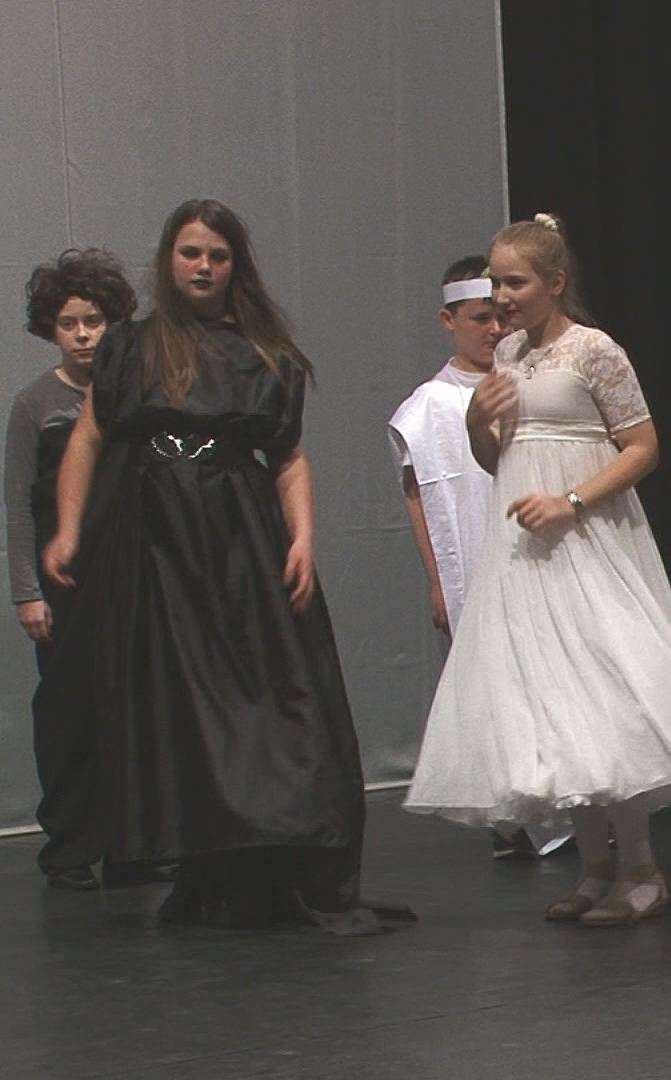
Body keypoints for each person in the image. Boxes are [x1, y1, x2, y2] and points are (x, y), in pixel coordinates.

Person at [44, 199, 383, 932]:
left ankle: (274, 854)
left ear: (236, 266)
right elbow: (89, 438)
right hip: (153, 540)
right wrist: (67, 529)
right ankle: (211, 865)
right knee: (178, 703)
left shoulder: (263, 351)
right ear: (169, 259)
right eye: (191, 252)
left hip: (236, 537)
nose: (203, 266)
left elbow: (288, 457)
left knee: (267, 694)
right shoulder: (133, 345)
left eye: (217, 255)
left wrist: (302, 539)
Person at [404, 214, 671, 925]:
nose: (502, 297)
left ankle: (642, 866)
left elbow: (643, 446)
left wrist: (571, 501)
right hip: (528, 551)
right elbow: (499, 457)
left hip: (589, 538)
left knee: (607, 693)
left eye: (515, 282)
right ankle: (595, 866)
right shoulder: (508, 354)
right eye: (495, 283)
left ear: (554, 282)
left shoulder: (594, 350)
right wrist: (476, 422)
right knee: (558, 707)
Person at [387, 255, 567, 861]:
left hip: (534, 550)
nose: (493, 329)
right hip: (472, 560)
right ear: (450, 320)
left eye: (499, 317)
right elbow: (420, 495)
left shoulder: (526, 379)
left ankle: (563, 807)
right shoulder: (429, 405)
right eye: (478, 318)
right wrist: (436, 580)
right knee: (491, 684)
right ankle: (509, 815)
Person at [6, 248, 146, 891]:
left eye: (94, 321)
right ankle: (69, 848)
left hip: (129, 578)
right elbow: (17, 505)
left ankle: (134, 846)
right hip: (63, 585)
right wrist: (26, 593)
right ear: (50, 329)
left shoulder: (133, 395)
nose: (84, 334)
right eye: (69, 323)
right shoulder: (35, 404)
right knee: (68, 714)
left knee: (133, 709)